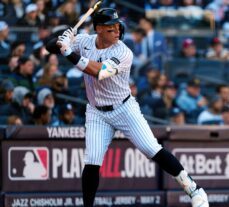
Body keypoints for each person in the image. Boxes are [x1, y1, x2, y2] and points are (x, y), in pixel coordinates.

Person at [47, 8, 208, 207]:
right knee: (92, 161)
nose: (117, 30)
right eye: (110, 27)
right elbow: (49, 47)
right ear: (98, 29)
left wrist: (69, 52)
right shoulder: (85, 41)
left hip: (124, 108)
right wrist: (62, 39)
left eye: (117, 26)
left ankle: (194, 189)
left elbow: (99, 72)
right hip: (97, 111)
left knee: (152, 149)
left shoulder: (123, 52)